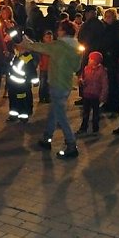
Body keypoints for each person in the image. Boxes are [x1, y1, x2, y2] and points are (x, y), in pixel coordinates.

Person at [22, 19, 82, 160]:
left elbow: (38, 47)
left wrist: (24, 40)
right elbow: (77, 68)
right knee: (54, 113)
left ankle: (71, 144)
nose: (57, 31)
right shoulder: (76, 47)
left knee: (60, 115)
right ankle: (46, 138)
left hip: (57, 84)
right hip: (66, 84)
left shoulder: (58, 46)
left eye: (60, 29)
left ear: (64, 31)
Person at [5, 34, 39, 123]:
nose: (15, 48)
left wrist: (35, 81)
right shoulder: (16, 56)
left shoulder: (27, 57)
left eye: (17, 46)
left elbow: (31, 71)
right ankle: (13, 115)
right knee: (13, 99)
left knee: (22, 100)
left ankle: (23, 116)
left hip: (22, 85)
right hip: (13, 84)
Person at [78, 51, 108, 136]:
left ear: (96, 61)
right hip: (87, 94)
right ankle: (83, 127)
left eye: (91, 59)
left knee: (95, 113)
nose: (89, 60)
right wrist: (81, 81)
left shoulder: (102, 71)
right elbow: (83, 78)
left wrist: (102, 96)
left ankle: (95, 128)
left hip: (95, 95)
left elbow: (105, 84)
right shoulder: (86, 68)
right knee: (85, 113)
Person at [37, 31, 53, 104]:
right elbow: (39, 55)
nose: (49, 39)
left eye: (50, 37)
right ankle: (41, 97)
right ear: (43, 38)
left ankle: (47, 97)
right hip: (43, 67)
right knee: (43, 83)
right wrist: (40, 61)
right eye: (47, 37)